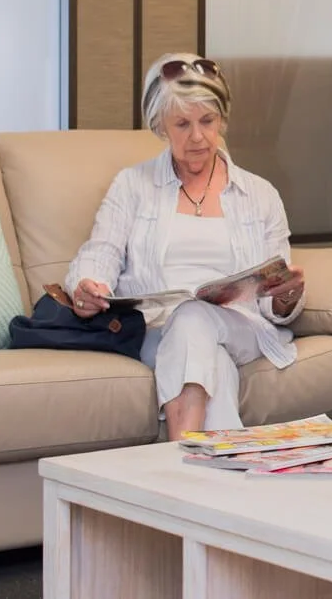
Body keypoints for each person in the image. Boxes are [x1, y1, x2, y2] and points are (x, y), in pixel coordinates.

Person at [64, 53, 308, 438]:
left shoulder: (259, 195)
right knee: (206, 354)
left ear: (222, 120)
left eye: (208, 121)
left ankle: (176, 470)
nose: (198, 137)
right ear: (161, 126)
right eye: (182, 124)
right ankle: (215, 480)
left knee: (194, 316)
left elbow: (270, 301)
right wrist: (89, 285)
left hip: (240, 327)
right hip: (156, 330)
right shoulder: (132, 185)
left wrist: (285, 297)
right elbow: (101, 252)